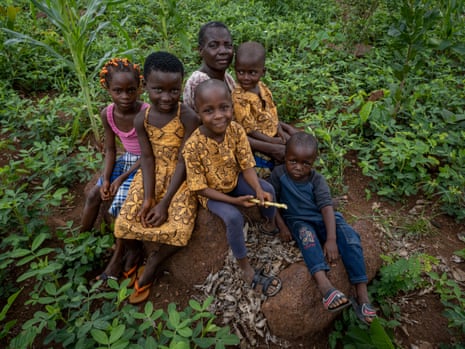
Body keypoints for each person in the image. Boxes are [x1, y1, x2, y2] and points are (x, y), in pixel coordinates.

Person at [99, 52, 200, 304]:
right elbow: (147, 158)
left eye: (174, 90)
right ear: (146, 87)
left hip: (181, 176)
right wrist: (148, 198)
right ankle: (131, 254)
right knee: (126, 219)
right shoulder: (141, 119)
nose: (166, 98)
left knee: (181, 227)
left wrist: (164, 202)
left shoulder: (188, 117)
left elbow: (184, 159)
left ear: (181, 86)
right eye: (158, 90)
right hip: (151, 174)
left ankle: (154, 261)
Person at [182, 79, 282, 297]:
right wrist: (234, 201)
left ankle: (269, 225)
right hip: (212, 193)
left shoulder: (236, 131)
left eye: (224, 107)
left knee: (268, 190)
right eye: (209, 110)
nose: (218, 115)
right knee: (234, 217)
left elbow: (246, 165)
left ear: (231, 106)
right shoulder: (192, 146)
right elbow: (200, 188)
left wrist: (256, 188)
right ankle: (245, 266)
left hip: (234, 179)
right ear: (198, 113)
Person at [271, 132, 377, 324]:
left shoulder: (316, 180)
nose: (298, 168)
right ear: (285, 156)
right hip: (298, 220)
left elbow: (327, 208)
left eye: (305, 163)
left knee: (351, 238)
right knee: (307, 240)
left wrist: (331, 239)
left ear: (313, 163)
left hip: (322, 218)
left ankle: (362, 295)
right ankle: (325, 288)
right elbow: (272, 203)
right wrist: (282, 226)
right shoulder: (278, 175)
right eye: (293, 161)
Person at [81, 58, 148, 233]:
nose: (125, 97)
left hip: (147, 162)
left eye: (131, 90)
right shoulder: (108, 114)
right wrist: (107, 178)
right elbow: (110, 149)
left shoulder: (146, 113)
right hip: (128, 159)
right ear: (108, 89)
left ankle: (125, 244)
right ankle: (82, 237)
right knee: (95, 194)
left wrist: (121, 178)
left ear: (139, 88)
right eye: (118, 91)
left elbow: (151, 153)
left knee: (122, 199)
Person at [232, 41, 298, 178]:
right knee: (271, 166)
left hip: (271, 133)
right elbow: (249, 130)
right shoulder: (239, 97)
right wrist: (272, 141)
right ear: (235, 69)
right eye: (241, 72)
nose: (245, 77)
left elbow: (272, 110)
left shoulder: (262, 87)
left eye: (252, 73)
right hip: (256, 141)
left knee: (296, 148)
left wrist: (279, 130)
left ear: (263, 72)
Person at [183, 21, 235, 110]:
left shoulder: (227, 78)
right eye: (213, 45)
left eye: (227, 45)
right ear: (201, 50)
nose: (223, 51)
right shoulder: (199, 82)